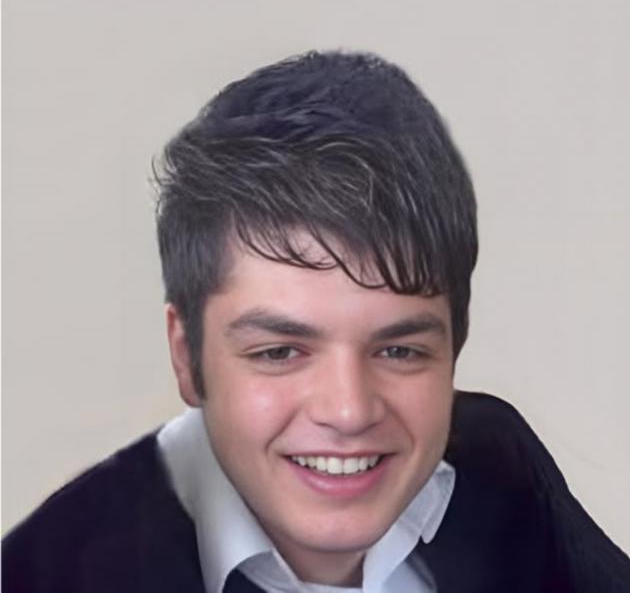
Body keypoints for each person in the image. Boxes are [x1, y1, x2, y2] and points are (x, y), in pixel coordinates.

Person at [3, 51, 629, 593]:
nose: (349, 411)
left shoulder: (496, 466)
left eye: (400, 351)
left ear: (453, 347)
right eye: (279, 352)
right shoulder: (47, 574)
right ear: (187, 358)